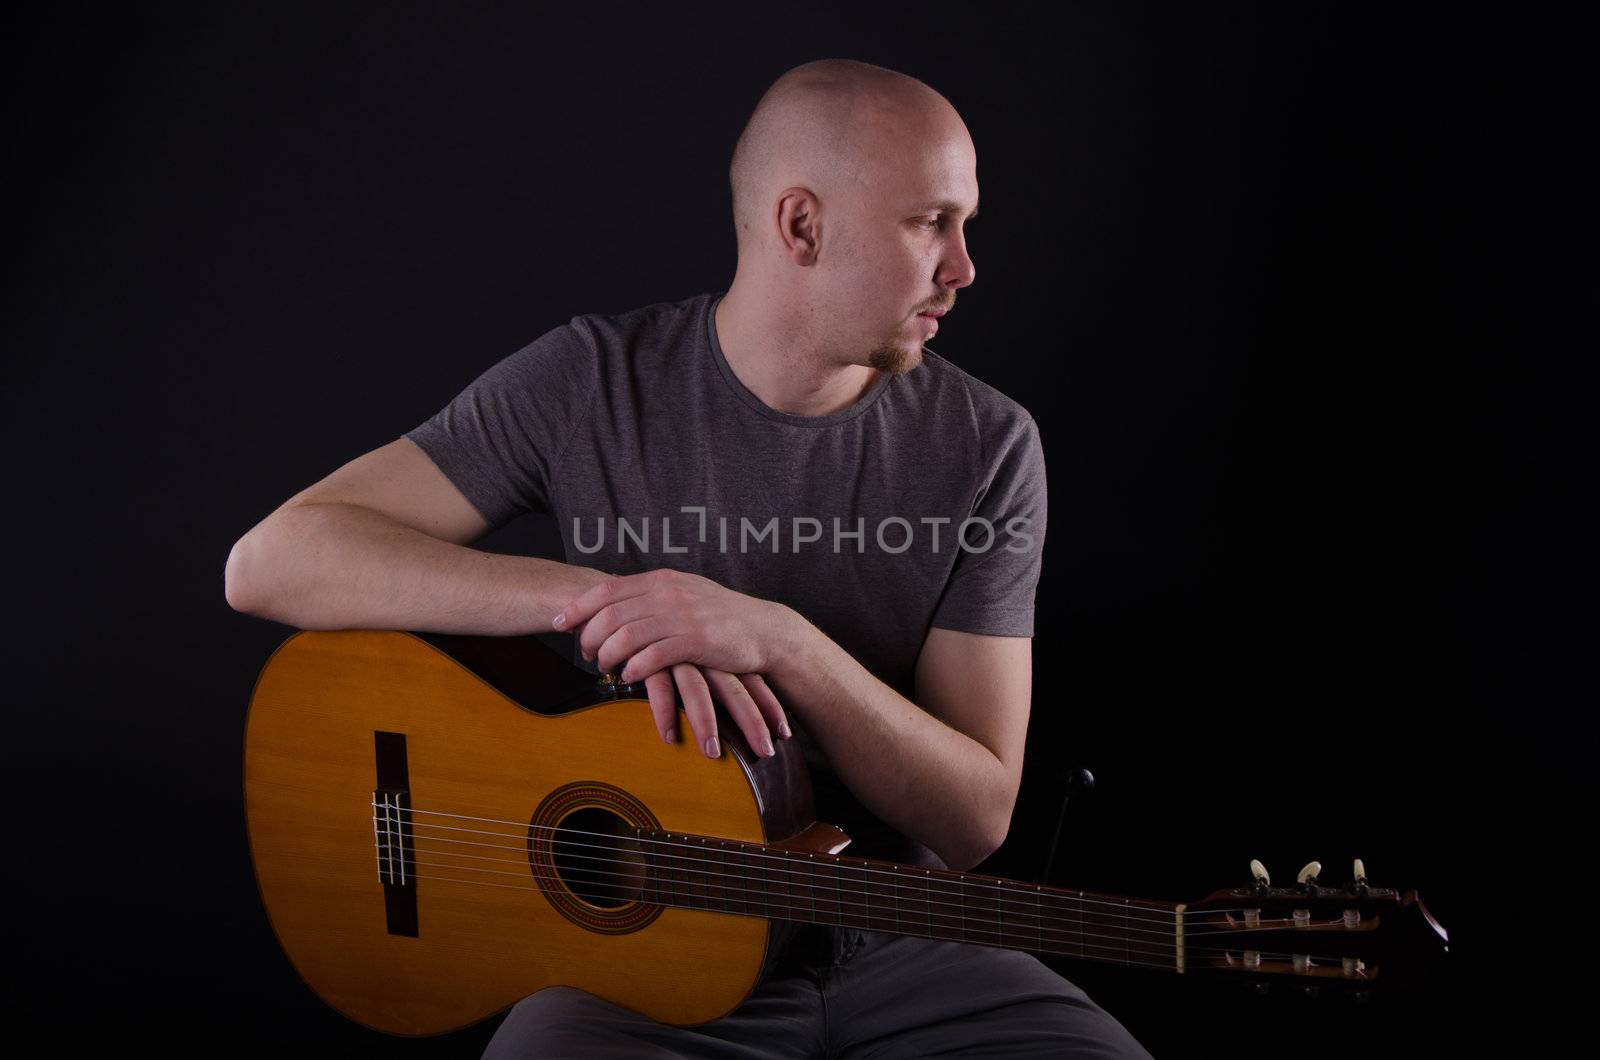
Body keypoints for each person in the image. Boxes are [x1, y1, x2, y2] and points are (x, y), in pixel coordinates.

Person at [226, 57, 1152, 1059]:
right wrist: (610, 602)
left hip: (906, 945)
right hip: (637, 952)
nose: (963, 265)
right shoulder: (589, 380)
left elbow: (976, 818)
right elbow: (273, 561)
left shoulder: (986, 444)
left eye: (963, 224)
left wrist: (786, 644)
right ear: (801, 226)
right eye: (929, 221)